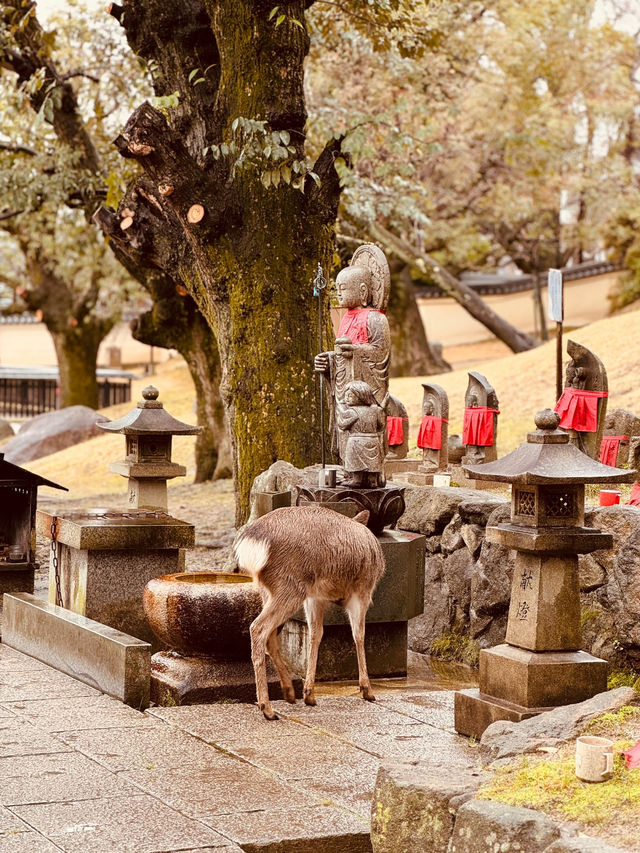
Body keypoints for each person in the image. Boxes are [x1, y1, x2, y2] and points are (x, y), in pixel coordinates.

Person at [335, 381, 386, 488]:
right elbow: (381, 425)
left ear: (361, 396)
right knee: (372, 463)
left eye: (350, 396)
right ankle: (373, 481)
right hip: (373, 440)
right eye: (346, 396)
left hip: (356, 441)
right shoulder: (375, 410)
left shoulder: (352, 411)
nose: (346, 398)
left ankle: (357, 480)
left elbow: (342, 425)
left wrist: (340, 414)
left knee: (356, 463)